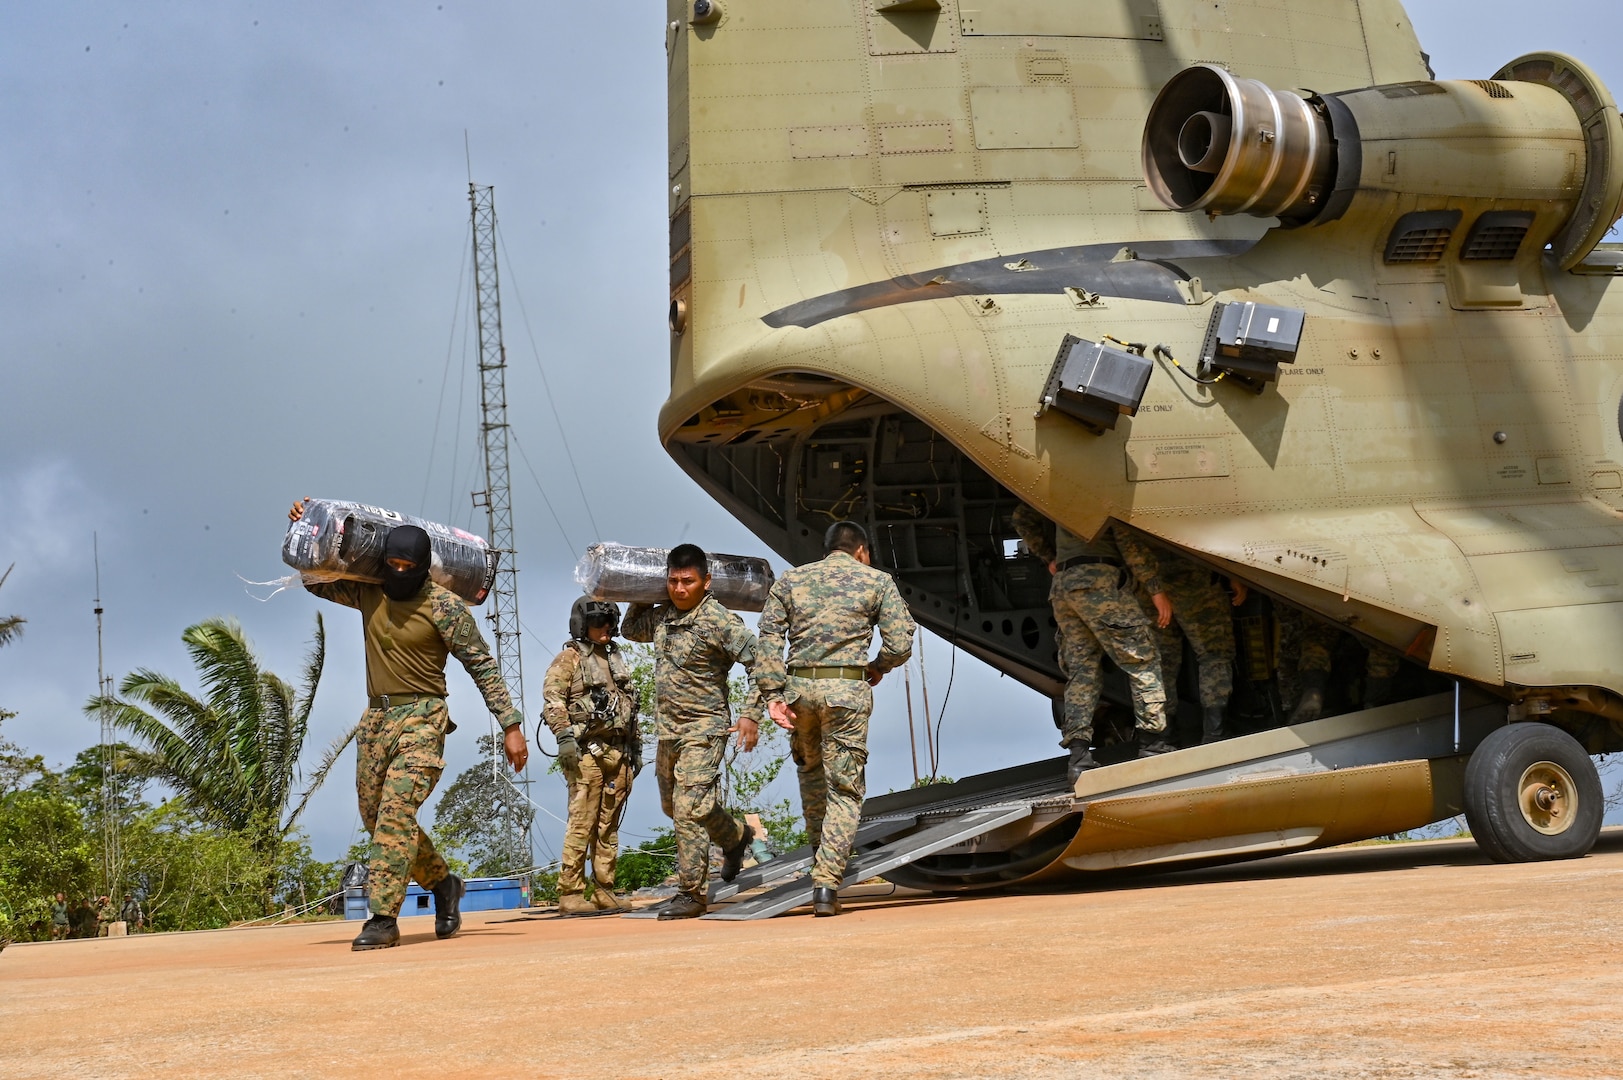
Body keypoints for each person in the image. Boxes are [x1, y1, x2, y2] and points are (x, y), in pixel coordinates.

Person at [289, 497, 528, 951]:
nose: (398, 571)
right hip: (375, 720)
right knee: (375, 818)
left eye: (406, 565)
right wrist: (309, 529)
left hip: (423, 717)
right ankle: (442, 885)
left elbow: (483, 666)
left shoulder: (444, 607)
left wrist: (511, 726)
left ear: (421, 567)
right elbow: (315, 580)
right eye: (391, 563)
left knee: (395, 815)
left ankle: (382, 918)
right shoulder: (369, 590)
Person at [757, 521, 915, 917]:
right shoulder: (876, 581)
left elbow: (769, 639)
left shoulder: (792, 580)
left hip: (798, 693)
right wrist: (879, 666)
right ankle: (826, 884)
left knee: (812, 778)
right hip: (846, 693)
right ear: (861, 550)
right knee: (844, 790)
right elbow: (900, 642)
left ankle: (819, 856)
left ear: (827, 549)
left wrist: (773, 696)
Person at [622, 544, 763, 920]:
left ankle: (691, 894)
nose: (680, 589)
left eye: (688, 581)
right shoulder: (663, 615)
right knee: (674, 807)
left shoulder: (721, 622)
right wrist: (642, 593)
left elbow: (763, 665)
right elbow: (630, 629)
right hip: (669, 731)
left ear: (707, 581)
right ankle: (735, 837)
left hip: (705, 729)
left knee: (687, 809)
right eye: (672, 581)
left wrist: (751, 715)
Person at [1011, 503, 1175, 783]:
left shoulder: (1057, 489)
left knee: (1081, 672)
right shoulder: (1102, 489)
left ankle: (1078, 758)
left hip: (1064, 585)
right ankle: (1153, 744)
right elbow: (1128, 543)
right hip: (1099, 578)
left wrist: (1050, 557)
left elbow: (1021, 517)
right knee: (1142, 660)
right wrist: (1155, 589)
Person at [542, 597, 640, 916]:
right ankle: (570, 892)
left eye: (610, 622)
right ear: (583, 625)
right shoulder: (568, 658)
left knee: (608, 824)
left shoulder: (614, 658)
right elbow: (553, 700)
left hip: (617, 750)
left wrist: (633, 749)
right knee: (582, 822)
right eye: (600, 622)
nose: (607, 629)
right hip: (586, 752)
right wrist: (565, 739)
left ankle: (604, 889)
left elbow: (629, 703)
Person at [1116, 534, 1246, 745]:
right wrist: (1232, 571)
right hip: (1192, 575)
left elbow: (1126, 539)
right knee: (1214, 652)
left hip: (1148, 585)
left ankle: (1165, 735)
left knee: (1161, 662)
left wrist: (1152, 585)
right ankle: (1215, 731)